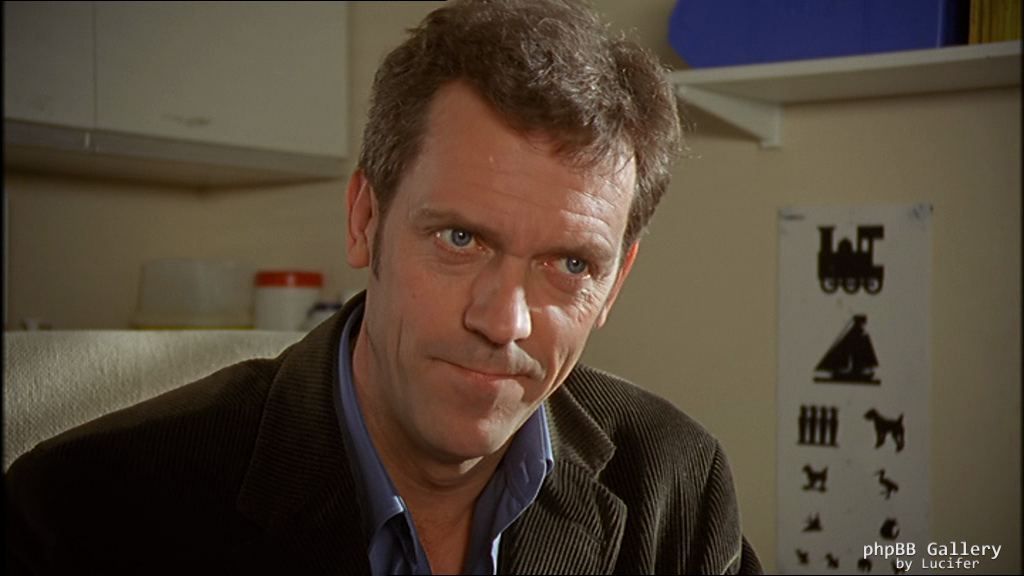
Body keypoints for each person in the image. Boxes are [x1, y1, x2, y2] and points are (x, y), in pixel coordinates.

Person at [5, 0, 762, 574]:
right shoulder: (89, 506)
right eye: (460, 239)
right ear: (365, 219)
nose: (505, 322)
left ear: (615, 282)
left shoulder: (675, 482)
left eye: (569, 265)